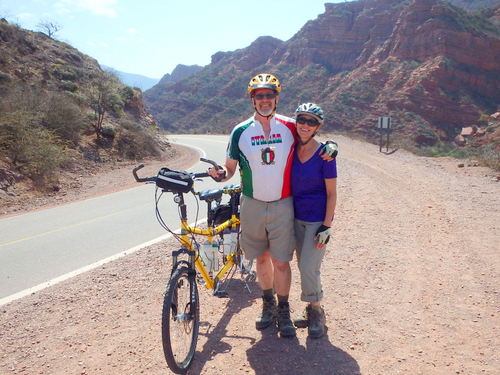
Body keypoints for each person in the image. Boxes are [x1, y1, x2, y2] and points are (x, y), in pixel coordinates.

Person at [208, 73, 337, 338]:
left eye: (269, 95)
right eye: (259, 96)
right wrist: (220, 173)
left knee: (281, 261)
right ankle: (267, 304)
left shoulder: (290, 126)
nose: (265, 100)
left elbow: (313, 138)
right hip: (253, 203)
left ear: (277, 98)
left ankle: (284, 310)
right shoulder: (240, 131)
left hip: (282, 204)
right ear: (253, 100)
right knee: (262, 258)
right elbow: (230, 167)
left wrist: (333, 146)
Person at [291, 103, 337, 338]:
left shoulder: (325, 155)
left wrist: (327, 226)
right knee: (302, 266)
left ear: (318, 127)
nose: (305, 125)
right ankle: (310, 307)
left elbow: (331, 193)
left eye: (311, 122)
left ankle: (317, 311)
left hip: (316, 220)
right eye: (302, 120)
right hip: (293, 217)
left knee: (309, 266)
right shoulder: (290, 146)